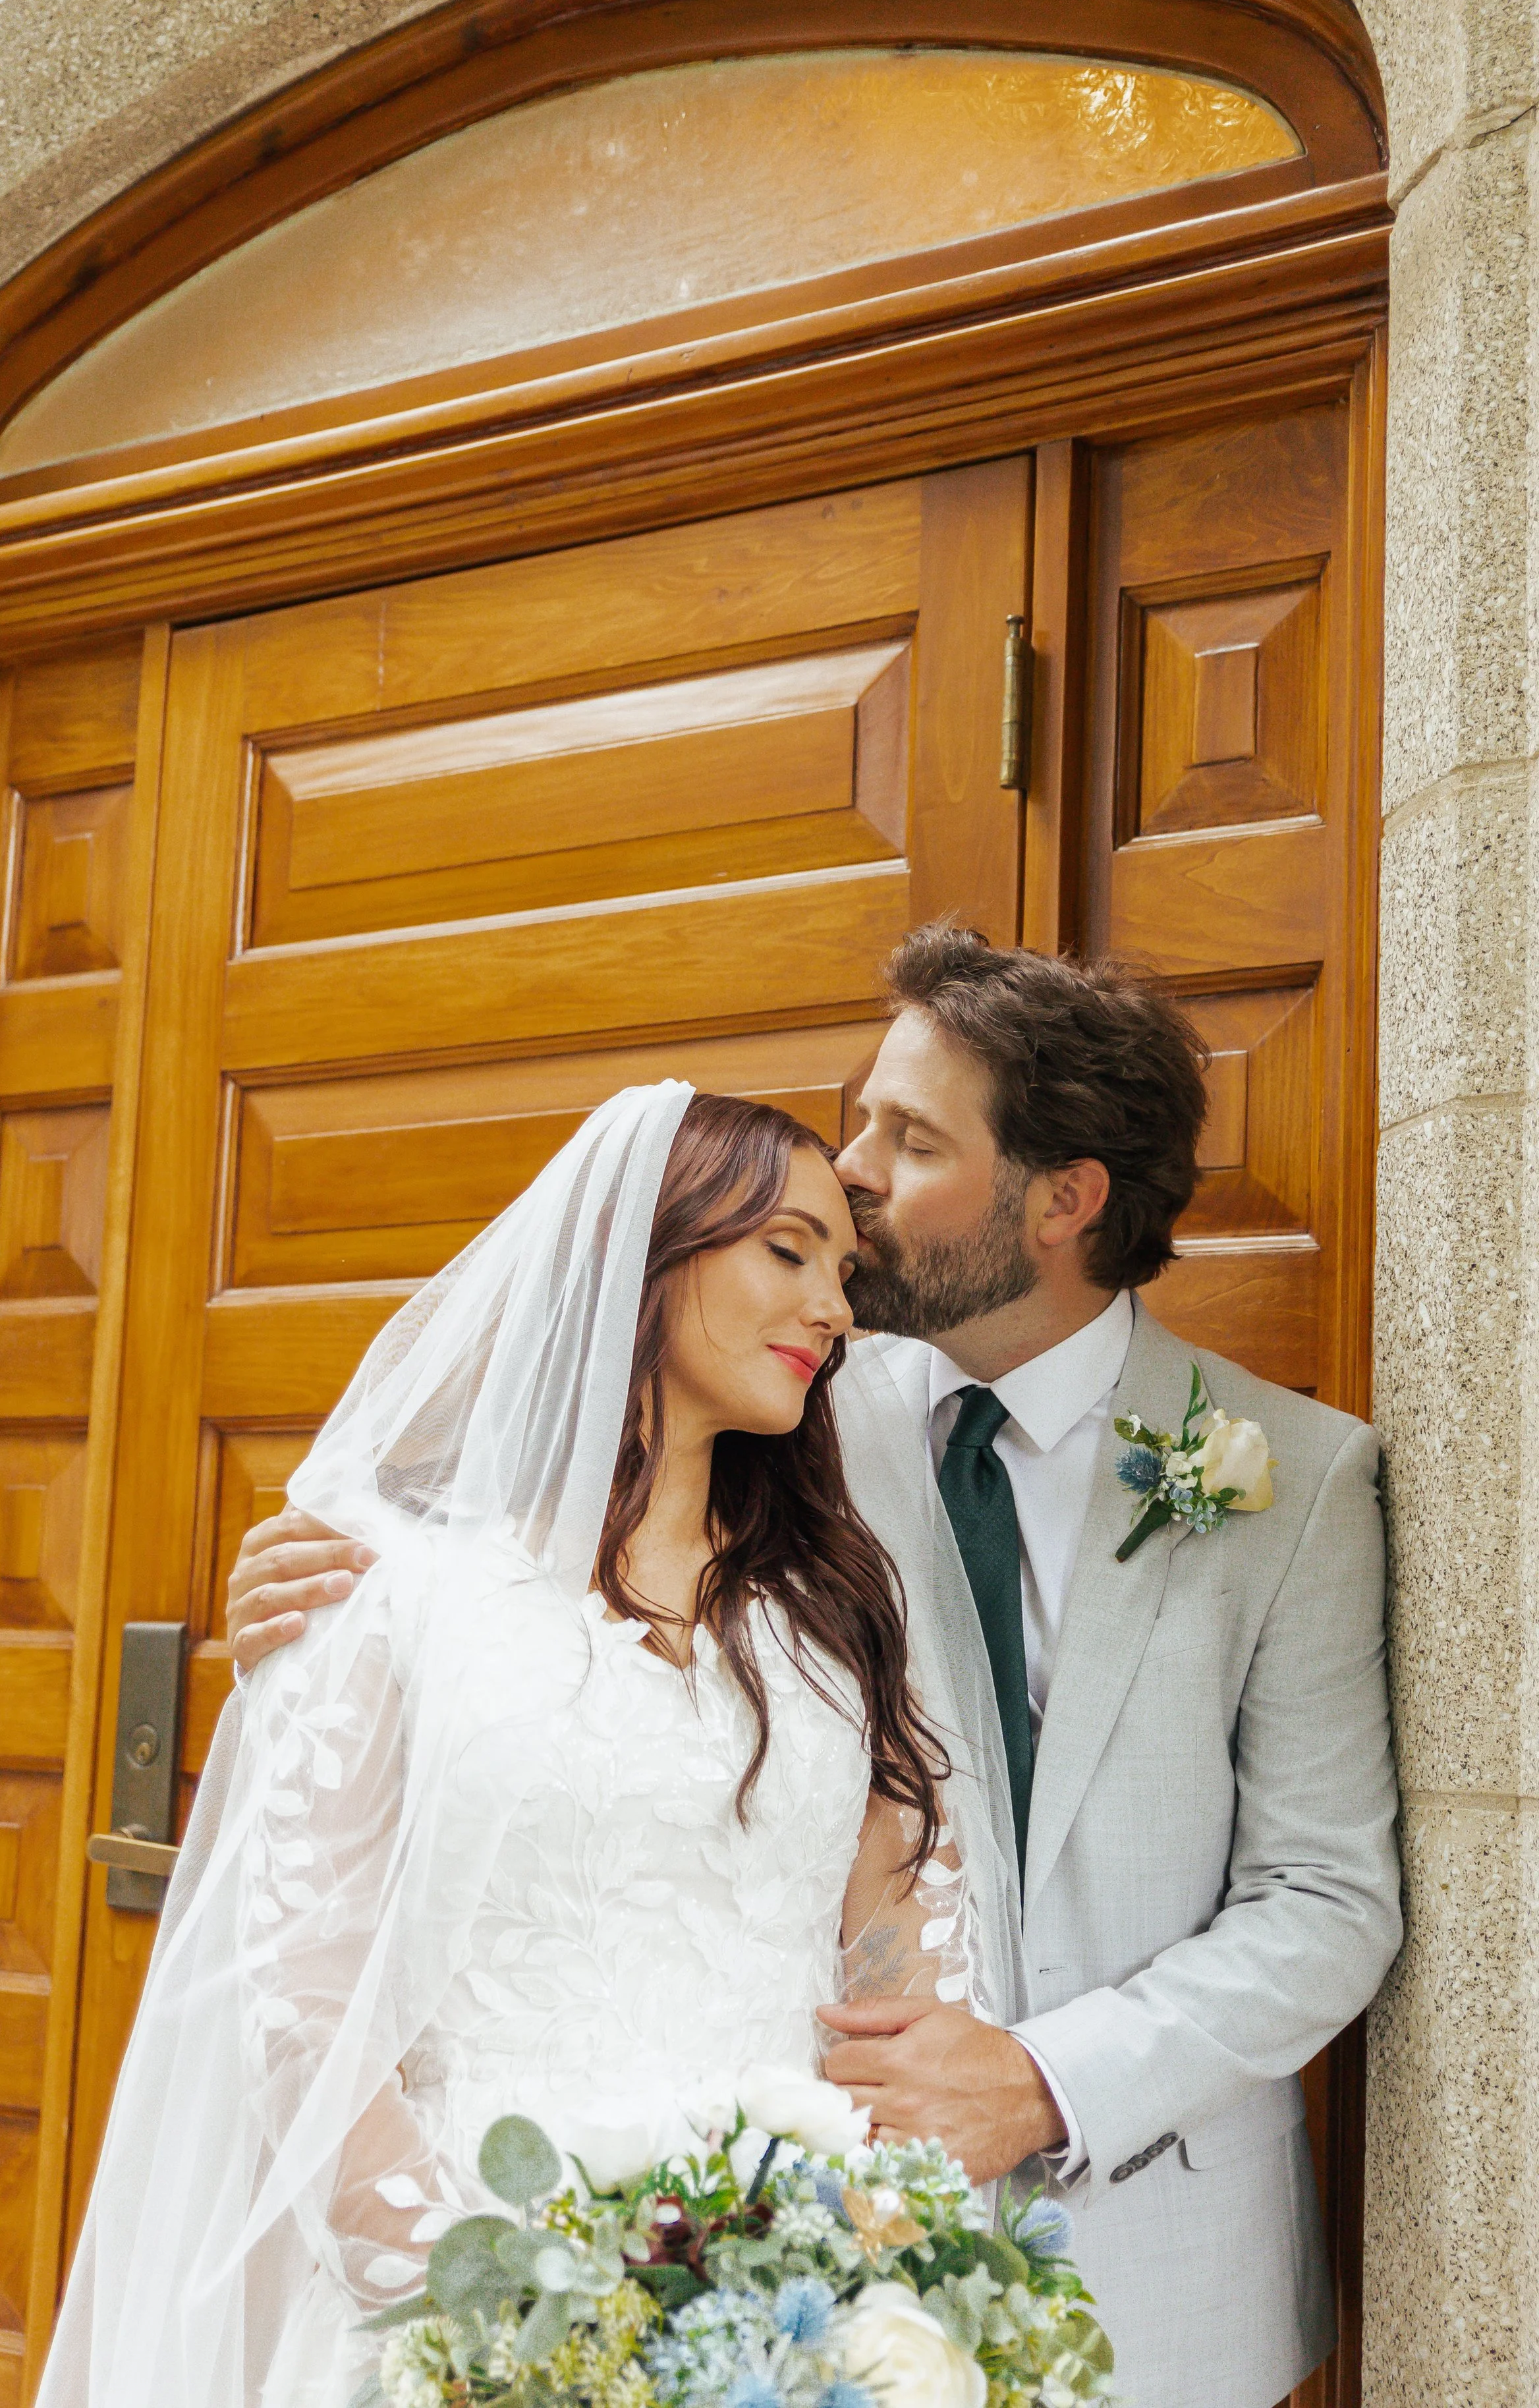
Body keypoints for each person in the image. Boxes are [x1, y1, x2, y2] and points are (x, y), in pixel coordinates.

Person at [226, 927, 1403, 2408]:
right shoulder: (789, 1390)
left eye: (907, 1141)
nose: (850, 1172)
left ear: (1063, 1199)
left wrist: (1048, 2081)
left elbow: (1327, 1897)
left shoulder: (1288, 1477)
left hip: (1145, 2256)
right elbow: (522, 1545)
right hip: (714, 2268)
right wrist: (320, 1610)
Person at [39, 1086, 1013, 2408]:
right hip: (475, 2310)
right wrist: (490, 2319)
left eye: (842, 1272)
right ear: (645, 1252)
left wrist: (879, 2270)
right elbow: (307, 2012)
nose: (836, 1311)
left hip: (786, 2324)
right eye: (785, 1253)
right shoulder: (400, 1598)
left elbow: (904, 1975)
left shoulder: (826, 1628)